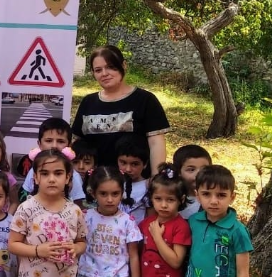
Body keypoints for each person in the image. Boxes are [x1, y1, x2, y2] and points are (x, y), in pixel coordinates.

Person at [9, 149, 87, 277]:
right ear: (35, 178)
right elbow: (13, 244)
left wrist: (76, 248)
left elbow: (82, 241)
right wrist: (38, 250)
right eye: (45, 173)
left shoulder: (74, 211)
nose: (51, 179)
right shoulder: (26, 208)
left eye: (58, 173)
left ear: (68, 178)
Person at [71, 45, 170, 176]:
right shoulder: (88, 102)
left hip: (136, 183)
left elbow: (156, 143)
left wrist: (156, 178)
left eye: (110, 67)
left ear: (123, 65)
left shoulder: (145, 100)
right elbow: (76, 143)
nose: (104, 74)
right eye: (98, 70)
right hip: (96, 184)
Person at [183, 165, 253, 277]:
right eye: (206, 194)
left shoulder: (237, 231)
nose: (214, 201)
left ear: (232, 197)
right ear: (197, 196)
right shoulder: (194, 221)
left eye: (221, 195)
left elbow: (243, 272)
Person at [78, 167, 142, 277]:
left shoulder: (127, 221)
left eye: (115, 194)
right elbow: (79, 246)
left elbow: (133, 255)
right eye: (103, 193)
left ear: (122, 193)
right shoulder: (86, 217)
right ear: (93, 193)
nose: (110, 199)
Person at [139, 164, 191, 277]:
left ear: (180, 200)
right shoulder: (145, 223)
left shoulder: (180, 226)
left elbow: (176, 261)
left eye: (170, 200)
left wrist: (157, 237)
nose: (163, 205)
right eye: (158, 199)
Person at [19, 118, 85, 207]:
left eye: (60, 141)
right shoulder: (33, 170)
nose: (54, 146)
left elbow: (78, 207)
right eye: (49, 141)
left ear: (69, 145)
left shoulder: (74, 176)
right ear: (39, 144)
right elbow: (25, 195)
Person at [115, 134, 151, 225]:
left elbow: (151, 219)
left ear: (145, 164)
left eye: (135, 164)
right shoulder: (112, 183)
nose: (128, 169)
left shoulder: (147, 187)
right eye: (123, 162)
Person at [172, 144, 212, 219]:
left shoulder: (214, 200)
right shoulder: (171, 197)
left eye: (204, 169)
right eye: (191, 170)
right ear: (178, 172)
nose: (198, 174)